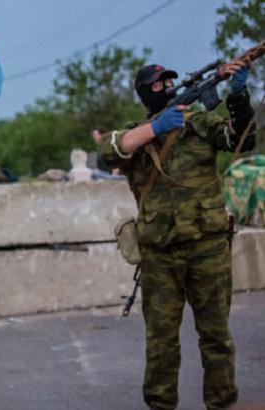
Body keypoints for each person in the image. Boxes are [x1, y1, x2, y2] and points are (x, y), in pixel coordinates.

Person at [100, 60, 255, 410]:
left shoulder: (200, 123)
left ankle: (221, 403)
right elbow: (108, 152)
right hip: (160, 254)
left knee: (216, 335)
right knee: (161, 341)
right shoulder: (136, 134)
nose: (167, 89)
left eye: (169, 82)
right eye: (157, 85)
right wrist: (155, 128)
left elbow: (241, 139)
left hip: (208, 247)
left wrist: (238, 95)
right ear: (144, 93)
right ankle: (161, 404)